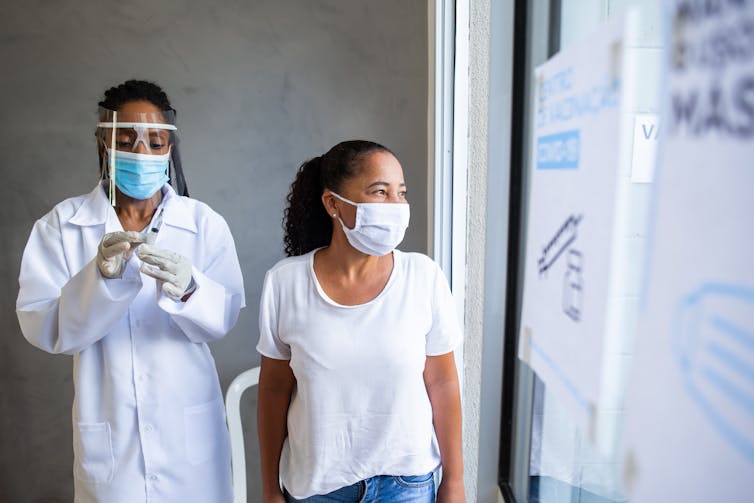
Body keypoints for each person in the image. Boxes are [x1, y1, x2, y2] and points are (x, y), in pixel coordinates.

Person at [16, 80, 244, 503]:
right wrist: (98, 280)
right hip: (111, 441)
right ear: (104, 142)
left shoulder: (203, 222)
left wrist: (191, 288)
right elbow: (42, 325)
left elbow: (225, 316)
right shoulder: (62, 225)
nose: (141, 154)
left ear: (170, 147)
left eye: (155, 142)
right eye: (125, 141)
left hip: (189, 441)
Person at [257, 140, 465, 502]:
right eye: (379, 192)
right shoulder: (285, 282)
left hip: (407, 486)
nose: (396, 206)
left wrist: (454, 481)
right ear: (332, 203)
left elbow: (443, 382)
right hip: (318, 489)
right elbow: (274, 389)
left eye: (401, 193)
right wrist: (269, 488)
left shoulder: (423, 276)